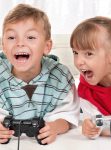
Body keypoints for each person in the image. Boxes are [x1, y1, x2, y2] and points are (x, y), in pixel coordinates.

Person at [0, 4, 79, 144]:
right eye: (11, 37)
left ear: (46, 47)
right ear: (3, 46)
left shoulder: (60, 77)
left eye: (30, 37)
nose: (20, 43)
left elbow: (68, 115)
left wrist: (54, 127)